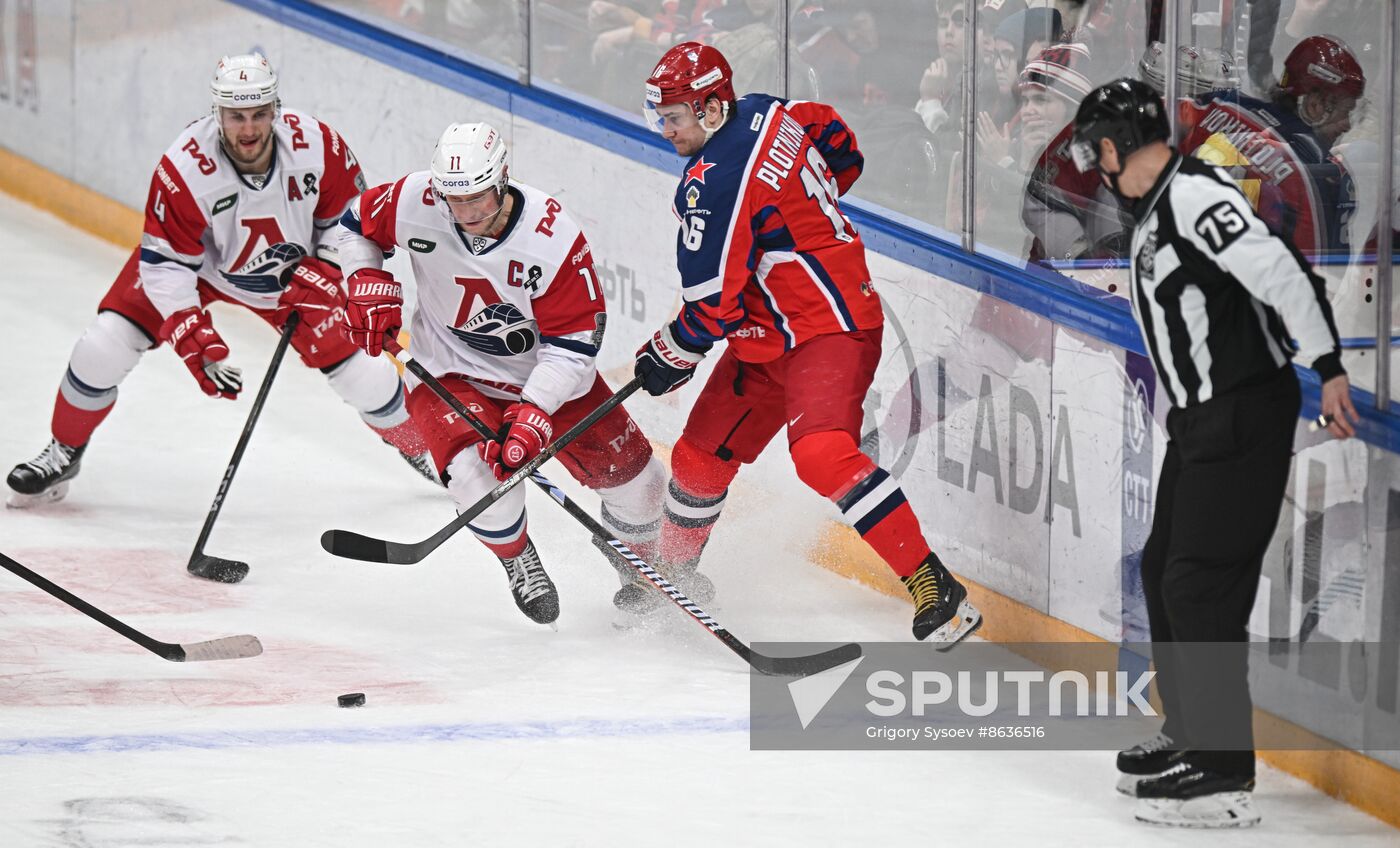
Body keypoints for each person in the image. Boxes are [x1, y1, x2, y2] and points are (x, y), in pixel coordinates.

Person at [1069, 78, 1357, 828]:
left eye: (1092, 150)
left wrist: (1327, 367)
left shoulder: (1196, 197)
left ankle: (1223, 773)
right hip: (1203, 422)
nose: (1091, 167)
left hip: (1242, 417)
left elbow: (1282, 275)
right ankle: (1192, 734)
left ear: (1111, 146)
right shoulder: (1159, 203)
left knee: (1201, 587)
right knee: (1167, 570)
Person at [628, 41, 982, 647]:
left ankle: (932, 584)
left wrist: (668, 353)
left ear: (713, 109)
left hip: (829, 331)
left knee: (821, 454)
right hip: (767, 335)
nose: (666, 131)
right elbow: (843, 144)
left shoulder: (711, 183)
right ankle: (675, 572)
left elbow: (710, 308)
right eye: (660, 117)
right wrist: (802, 221)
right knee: (698, 457)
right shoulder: (767, 110)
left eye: (675, 118)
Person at [6, 53, 433, 511]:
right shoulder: (185, 168)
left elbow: (349, 223)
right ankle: (64, 450)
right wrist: (189, 329)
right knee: (102, 346)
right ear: (218, 113)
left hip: (294, 282)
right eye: (235, 116)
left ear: (276, 108)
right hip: (201, 271)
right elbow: (165, 262)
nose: (247, 129)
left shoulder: (318, 146)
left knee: (364, 377)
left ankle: (425, 448)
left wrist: (327, 270)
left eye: (258, 114)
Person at [337, 122, 666, 627]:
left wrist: (534, 411)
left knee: (640, 486)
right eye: (454, 199)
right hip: (450, 370)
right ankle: (518, 559)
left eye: (478, 199)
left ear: (503, 179)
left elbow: (574, 344)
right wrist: (363, 277)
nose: (465, 213)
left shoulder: (552, 238)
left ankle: (636, 565)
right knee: (476, 476)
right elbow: (356, 223)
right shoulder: (417, 199)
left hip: (548, 376)